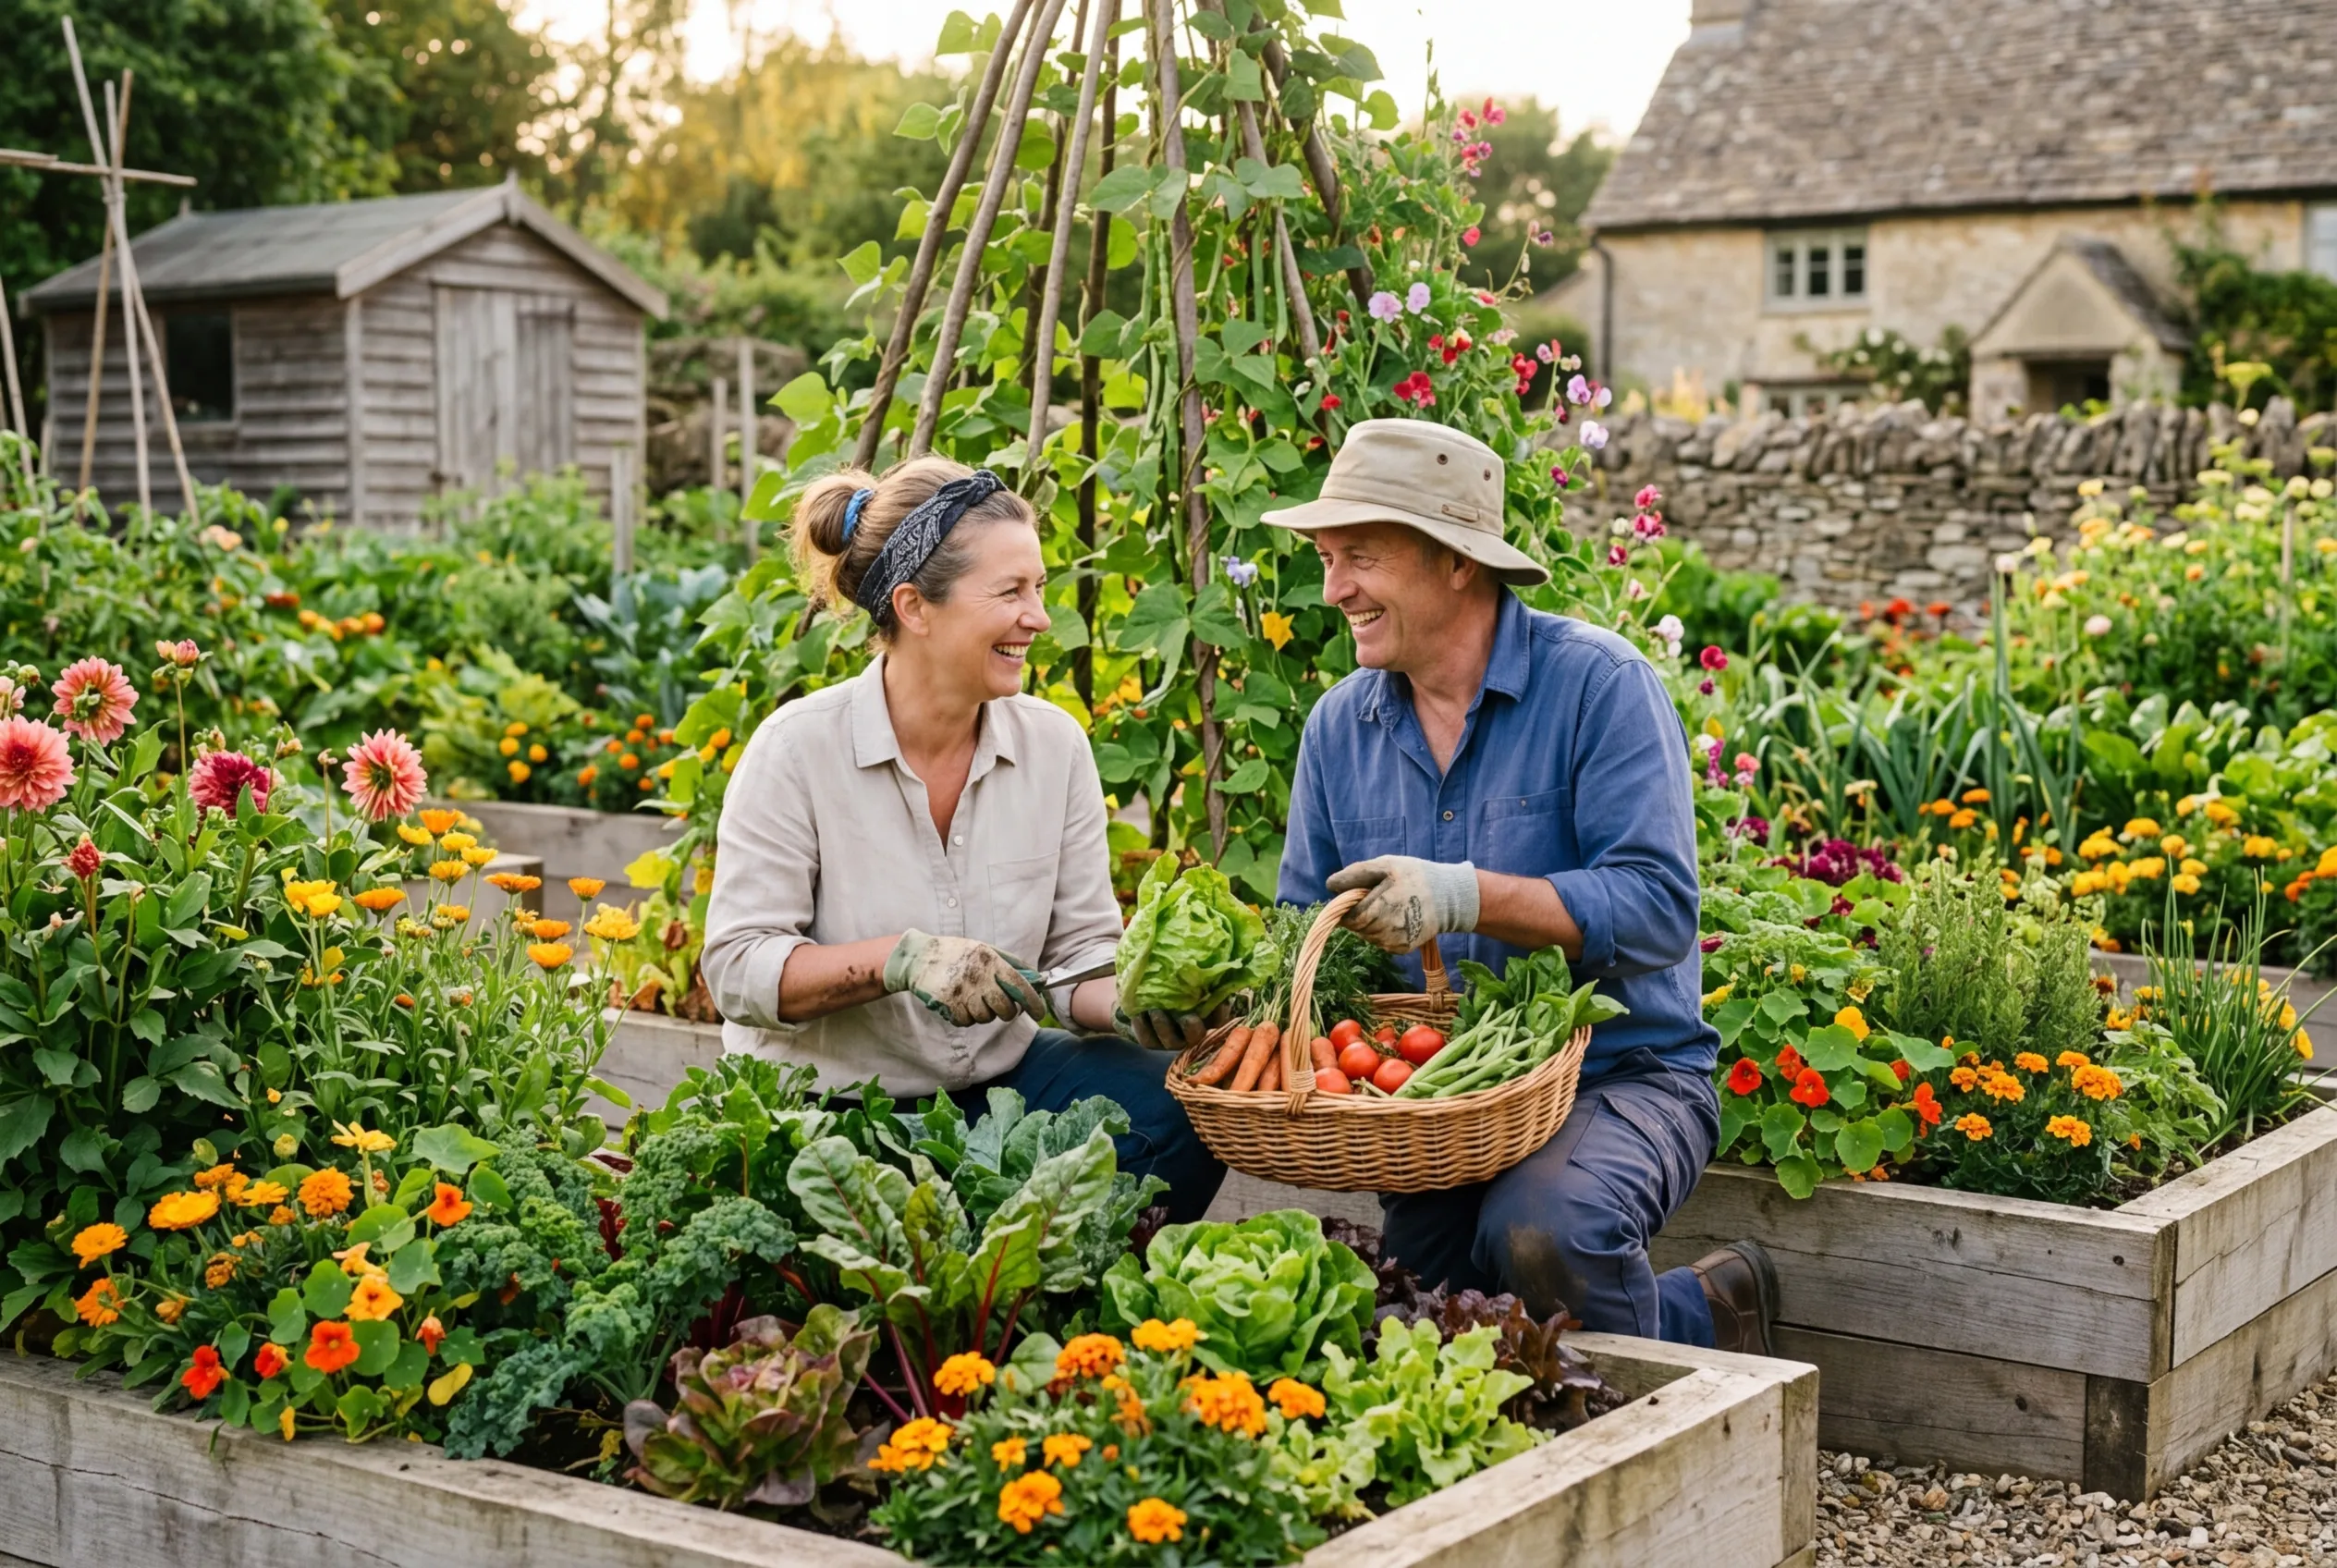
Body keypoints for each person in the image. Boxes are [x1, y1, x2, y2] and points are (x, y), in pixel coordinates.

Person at [1264, 418, 1777, 1354]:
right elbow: (1307, 927)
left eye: (1360, 558)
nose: (1333, 588)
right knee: (1418, 1314)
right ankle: (1705, 1313)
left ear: (1456, 561)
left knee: (1540, 1228)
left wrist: (1466, 894)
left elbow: (1657, 909)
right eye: (1326, 558)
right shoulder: (1339, 728)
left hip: (1624, 1075)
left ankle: (1649, 1449)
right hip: (1443, 1100)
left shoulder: (1598, 688)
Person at [700, 457, 1225, 1221]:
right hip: (835, 1112)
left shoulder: (1054, 746)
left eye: (1038, 587)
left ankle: (1045, 1294)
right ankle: (992, 1282)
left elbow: (1079, 956)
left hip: (999, 1089)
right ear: (914, 607)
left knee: (1183, 1098)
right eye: (1011, 592)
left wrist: (1142, 1004)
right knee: (900, 1227)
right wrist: (900, 961)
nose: (1039, 617)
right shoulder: (797, 751)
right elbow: (738, 971)